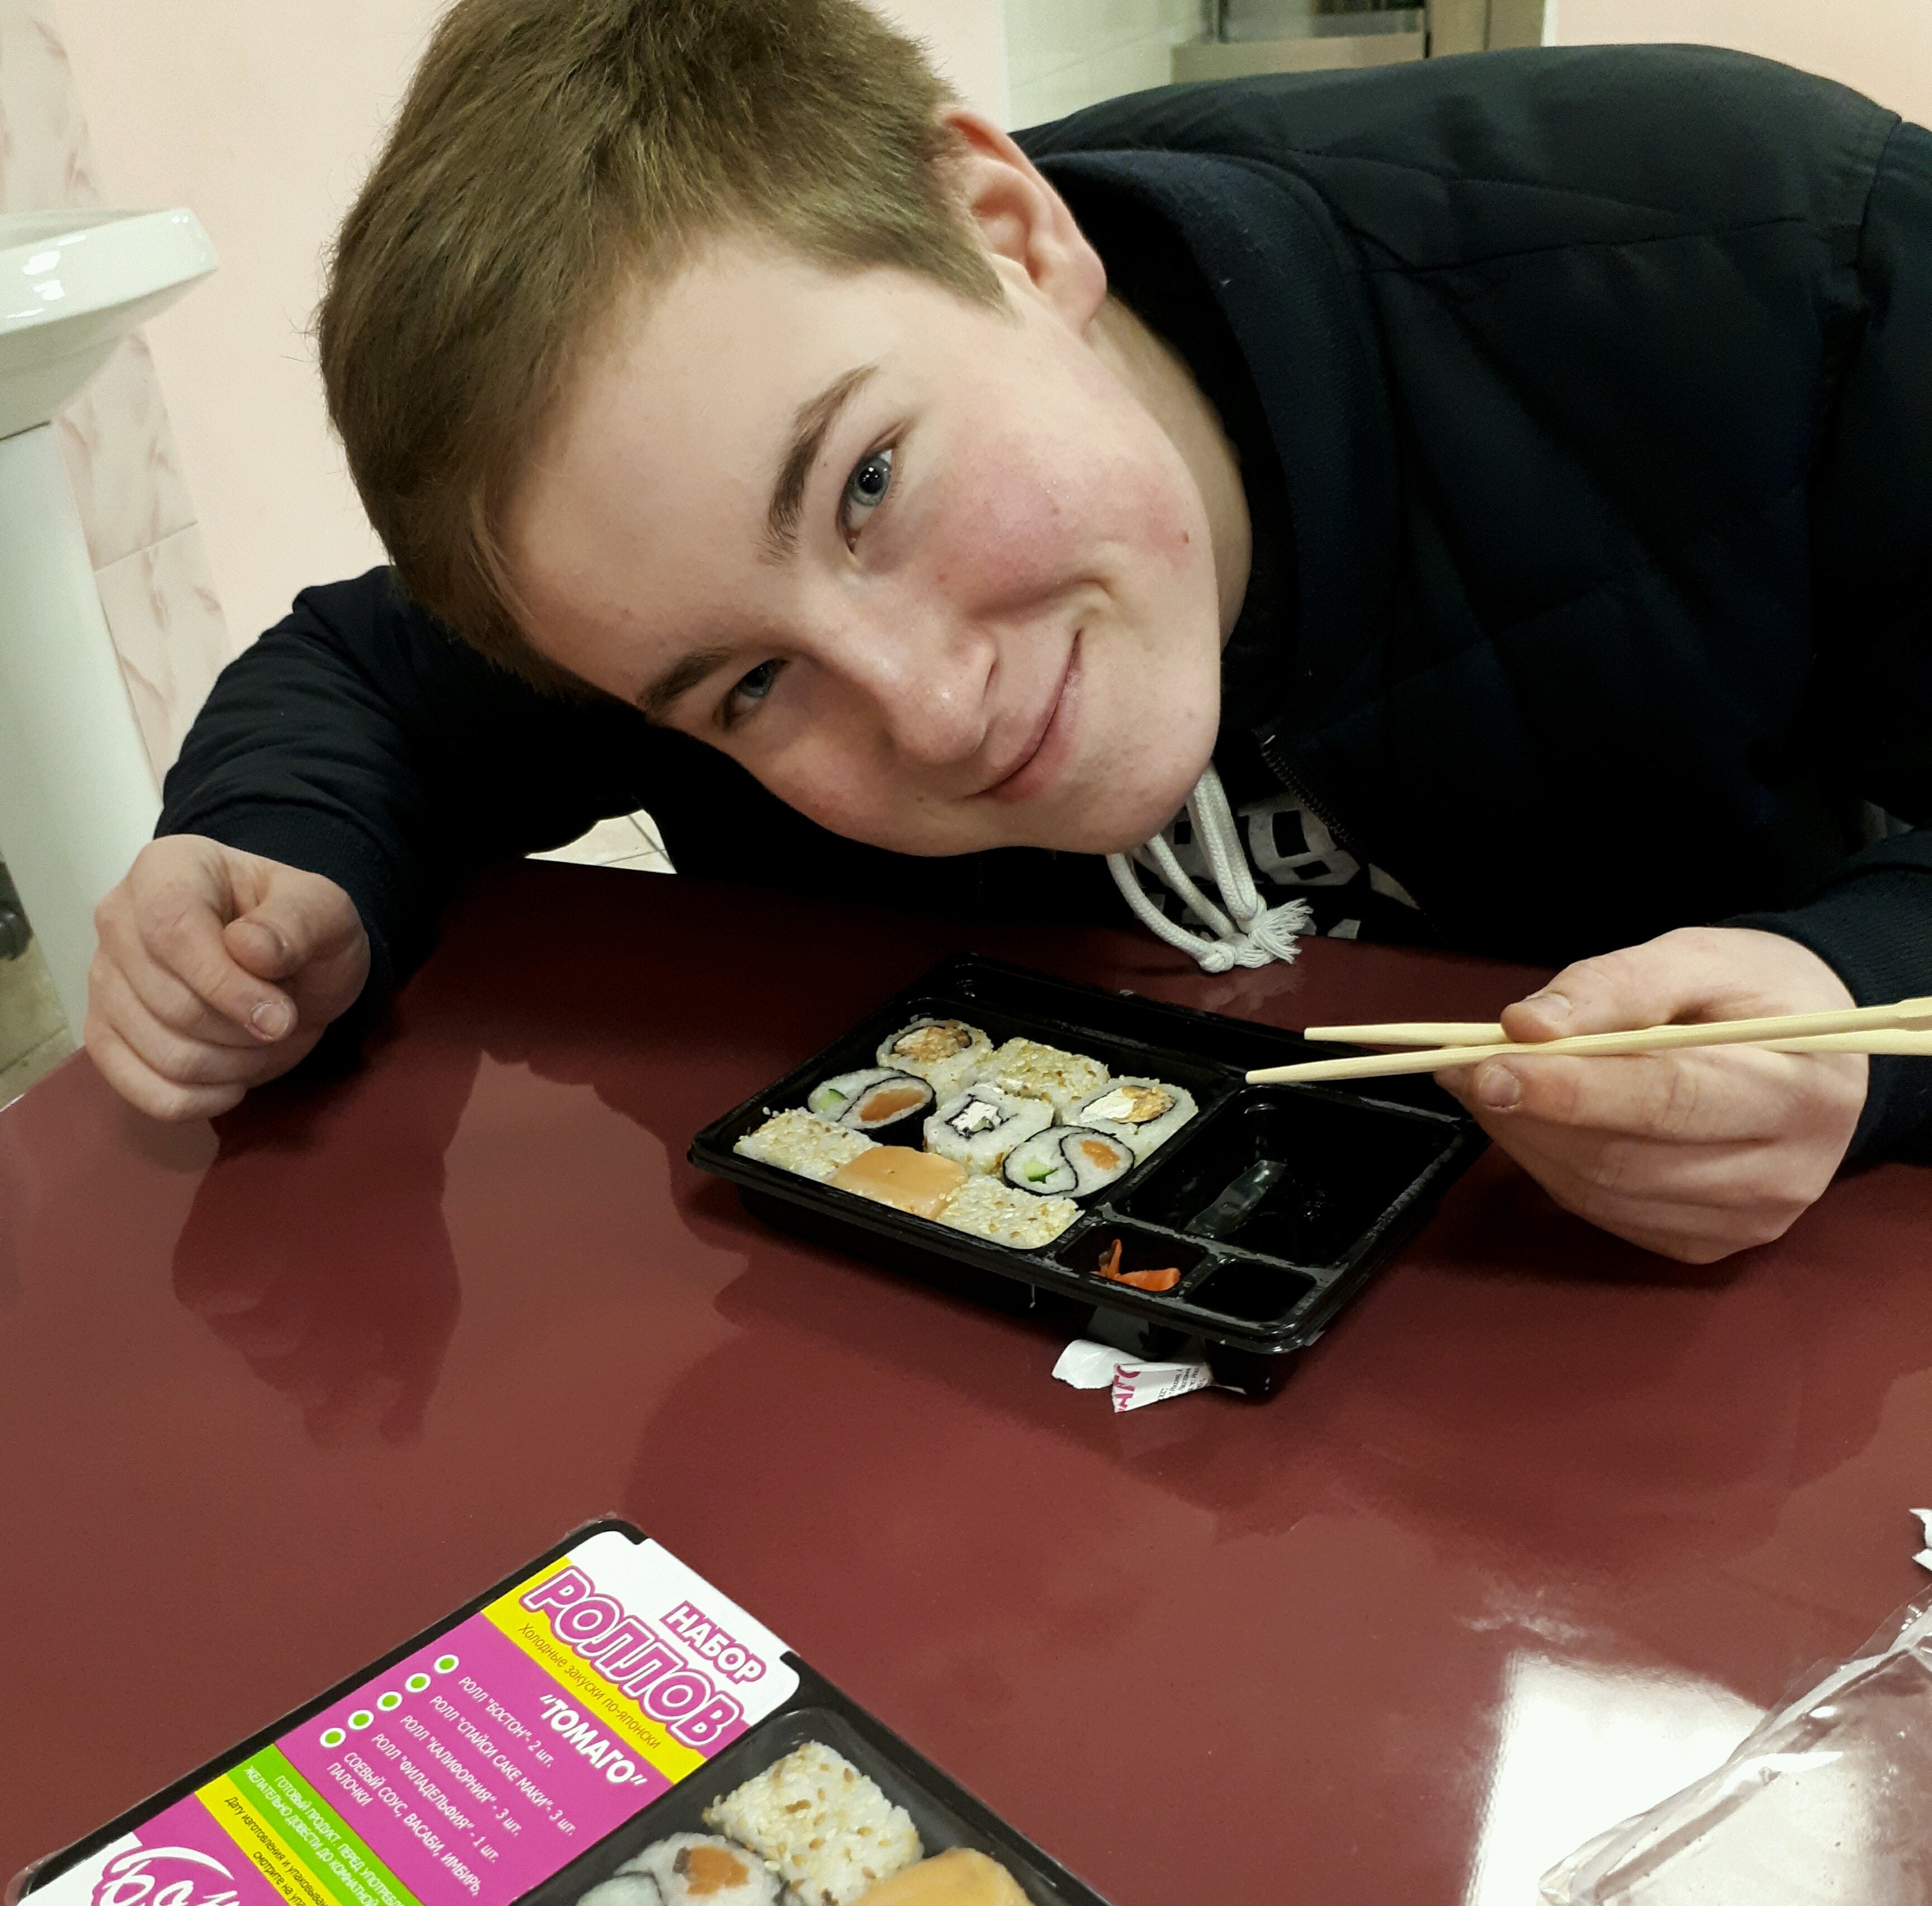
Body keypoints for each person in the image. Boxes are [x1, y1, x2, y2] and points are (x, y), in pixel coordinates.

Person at [83, 0, 1932, 1264]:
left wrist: (1861, 1023)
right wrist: (272, 860)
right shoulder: (651, 564)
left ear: (1010, 231)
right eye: (750, 688)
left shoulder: (1787, 260)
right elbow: (359, 680)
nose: (927, 710)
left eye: (870, 483)